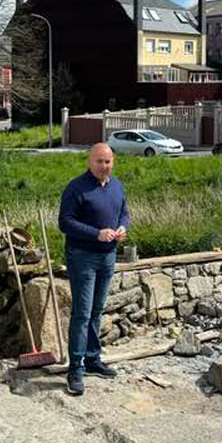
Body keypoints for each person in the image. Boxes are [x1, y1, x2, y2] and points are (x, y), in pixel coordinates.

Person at [58, 143, 130, 396]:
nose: (104, 166)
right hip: (82, 257)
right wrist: (95, 234)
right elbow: (65, 222)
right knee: (82, 313)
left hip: (108, 256)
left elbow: (124, 213)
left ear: (113, 162)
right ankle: (75, 369)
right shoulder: (76, 188)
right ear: (89, 161)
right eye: (99, 161)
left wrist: (122, 228)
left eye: (108, 162)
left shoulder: (117, 185)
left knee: (97, 310)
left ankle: (92, 359)